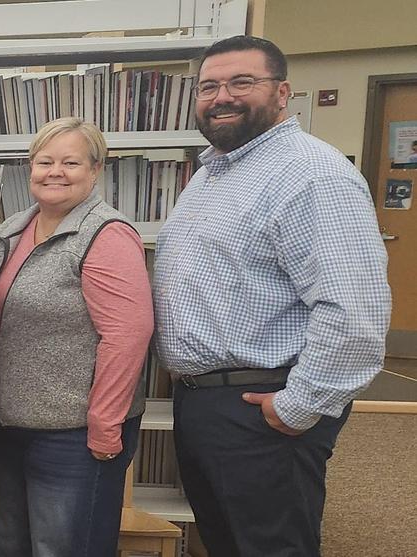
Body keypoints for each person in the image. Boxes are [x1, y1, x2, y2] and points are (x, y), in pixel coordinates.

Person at [156, 35, 390, 557]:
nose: (222, 97)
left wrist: (300, 406)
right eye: (209, 86)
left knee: (270, 546)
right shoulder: (216, 171)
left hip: (263, 405)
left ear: (283, 92)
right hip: (206, 401)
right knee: (228, 542)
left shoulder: (312, 174)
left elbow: (355, 311)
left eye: (243, 82)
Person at [0, 118, 153, 557]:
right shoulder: (12, 230)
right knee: (13, 545)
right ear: (29, 168)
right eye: (44, 161)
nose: (55, 171)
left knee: (66, 548)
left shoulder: (105, 234)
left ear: (96, 170)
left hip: (75, 436)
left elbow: (128, 334)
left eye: (70, 162)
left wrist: (105, 425)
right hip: (11, 425)